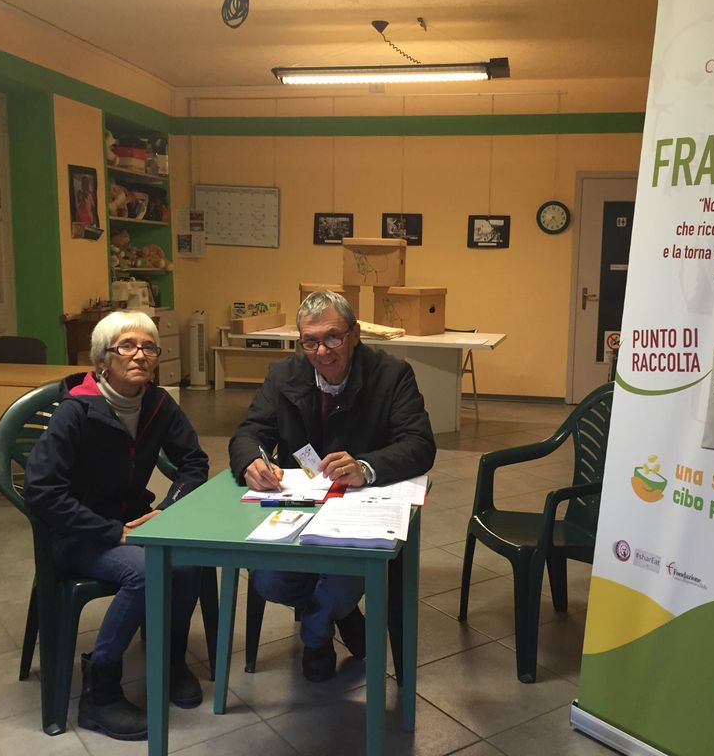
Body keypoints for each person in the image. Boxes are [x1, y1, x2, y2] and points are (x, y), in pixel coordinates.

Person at [229, 290, 436, 681]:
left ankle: (317, 633)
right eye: (310, 341)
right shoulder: (283, 375)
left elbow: (419, 444)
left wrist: (366, 466)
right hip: (299, 504)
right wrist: (251, 460)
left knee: (343, 579)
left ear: (354, 334)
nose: (321, 351)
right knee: (269, 580)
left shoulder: (392, 374)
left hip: (362, 507)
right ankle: (340, 615)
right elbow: (249, 432)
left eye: (332, 338)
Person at [24, 311, 208, 741]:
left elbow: (194, 463)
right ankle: (100, 690)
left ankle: (170, 660)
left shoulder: (158, 404)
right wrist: (111, 531)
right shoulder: (76, 411)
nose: (140, 355)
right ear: (102, 360)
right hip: (76, 534)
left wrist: (169, 509)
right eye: (127, 346)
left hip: (132, 523)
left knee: (188, 562)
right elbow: (42, 492)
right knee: (145, 572)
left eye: (149, 347)